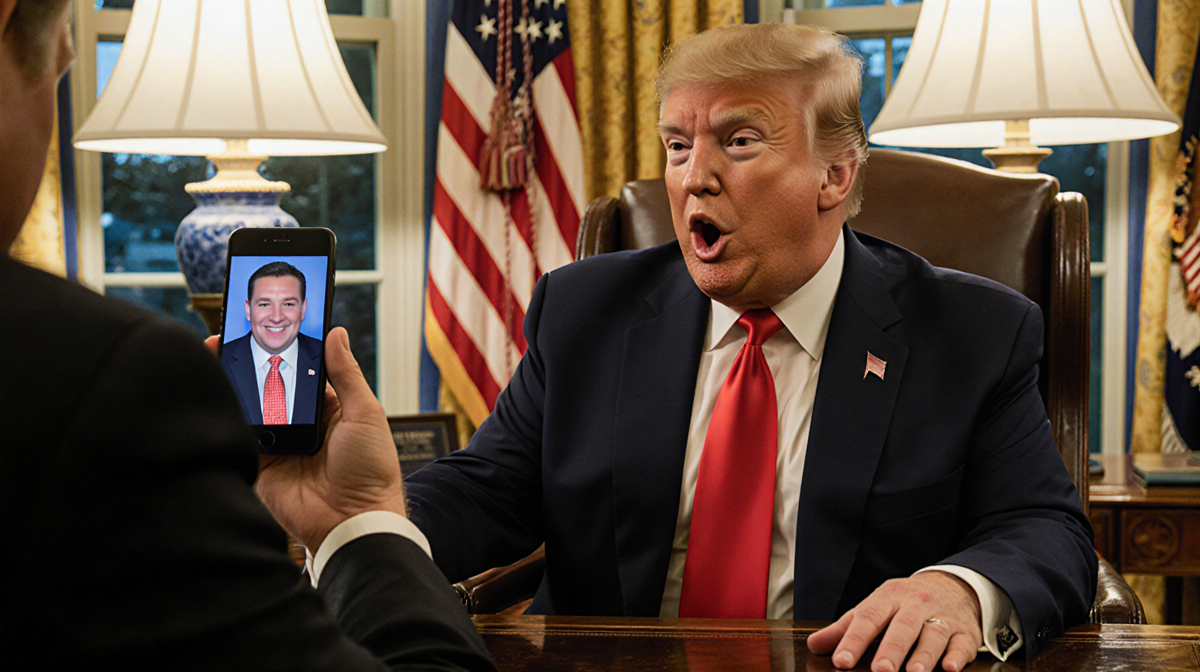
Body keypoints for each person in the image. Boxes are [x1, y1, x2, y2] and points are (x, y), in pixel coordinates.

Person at [404, 22, 1096, 672]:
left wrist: (959, 590)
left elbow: (1045, 529)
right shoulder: (585, 313)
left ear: (836, 175)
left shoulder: (971, 332)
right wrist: (362, 522)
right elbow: (488, 492)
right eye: (678, 145)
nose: (693, 178)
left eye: (739, 142)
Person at [0, 0, 495, 668]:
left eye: (292, 305)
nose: (276, 318)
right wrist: (366, 517)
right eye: (66, 57)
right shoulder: (104, 374)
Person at [222, 261, 323, 425]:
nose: (276, 317)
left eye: (288, 304)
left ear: (303, 309)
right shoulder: (220, 363)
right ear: (248, 310)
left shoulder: (328, 360)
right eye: (264, 304)